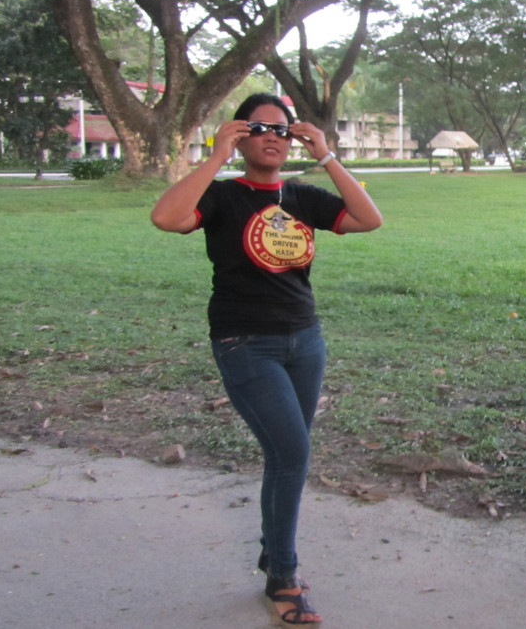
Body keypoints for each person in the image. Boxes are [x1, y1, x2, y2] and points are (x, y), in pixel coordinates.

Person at [149, 93, 383, 626]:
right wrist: (215, 155)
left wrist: (325, 154)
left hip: (305, 341)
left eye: (282, 129)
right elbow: (166, 217)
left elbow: (368, 219)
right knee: (291, 455)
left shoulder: (301, 196)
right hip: (245, 343)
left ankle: (272, 549)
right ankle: (282, 576)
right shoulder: (223, 196)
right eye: (257, 128)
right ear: (240, 136)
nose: (271, 137)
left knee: (287, 457)